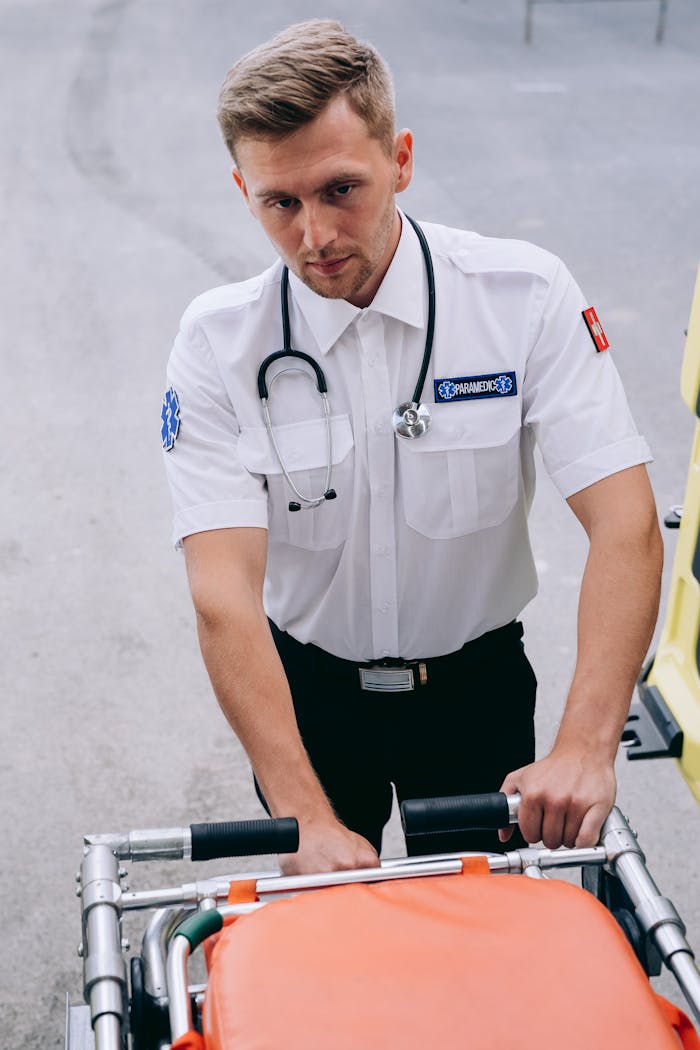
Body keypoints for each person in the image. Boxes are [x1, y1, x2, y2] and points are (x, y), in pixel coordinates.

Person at [161, 19, 663, 874]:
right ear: (242, 186)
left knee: (484, 958)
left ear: (400, 159)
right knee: (327, 954)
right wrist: (303, 817)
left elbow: (627, 525)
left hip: (474, 697)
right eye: (279, 202)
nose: (314, 236)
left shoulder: (523, 298)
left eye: (340, 190)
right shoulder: (218, 345)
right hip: (308, 705)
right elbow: (223, 593)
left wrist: (585, 747)